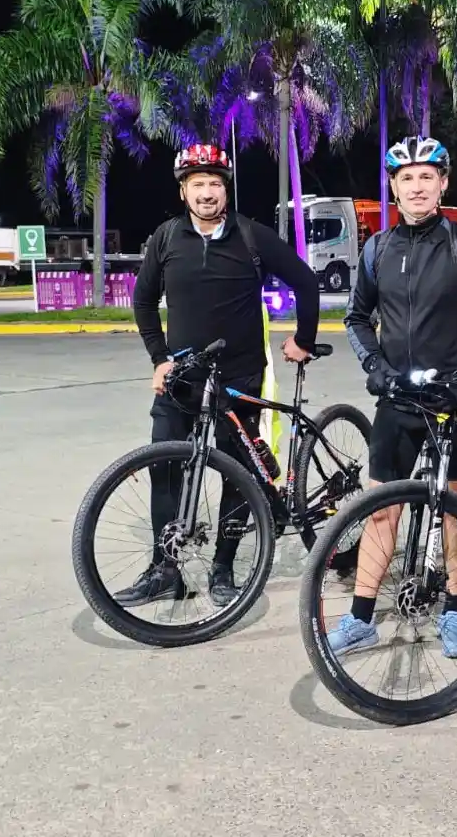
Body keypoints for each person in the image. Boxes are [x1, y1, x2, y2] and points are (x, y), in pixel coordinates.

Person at [329, 136, 457, 658]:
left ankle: (454, 612)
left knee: (454, 508)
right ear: (393, 187)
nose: (416, 186)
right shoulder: (378, 249)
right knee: (380, 510)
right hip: (396, 398)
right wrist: (374, 365)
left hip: (450, 398)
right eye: (406, 178)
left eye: (426, 176)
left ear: (443, 183)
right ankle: (362, 616)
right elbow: (356, 317)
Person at [120, 143, 321, 609]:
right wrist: (159, 358)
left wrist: (303, 340)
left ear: (225, 189)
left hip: (238, 380)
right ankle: (163, 569)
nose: (207, 192)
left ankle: (224, 567)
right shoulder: (167, 238)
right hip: (183, 379)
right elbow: (144, 302)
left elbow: (306, 283)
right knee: (164, 469)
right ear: (183, 191)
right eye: (198, 184)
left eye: (214, 183)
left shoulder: (252, 236)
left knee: (237, 475)